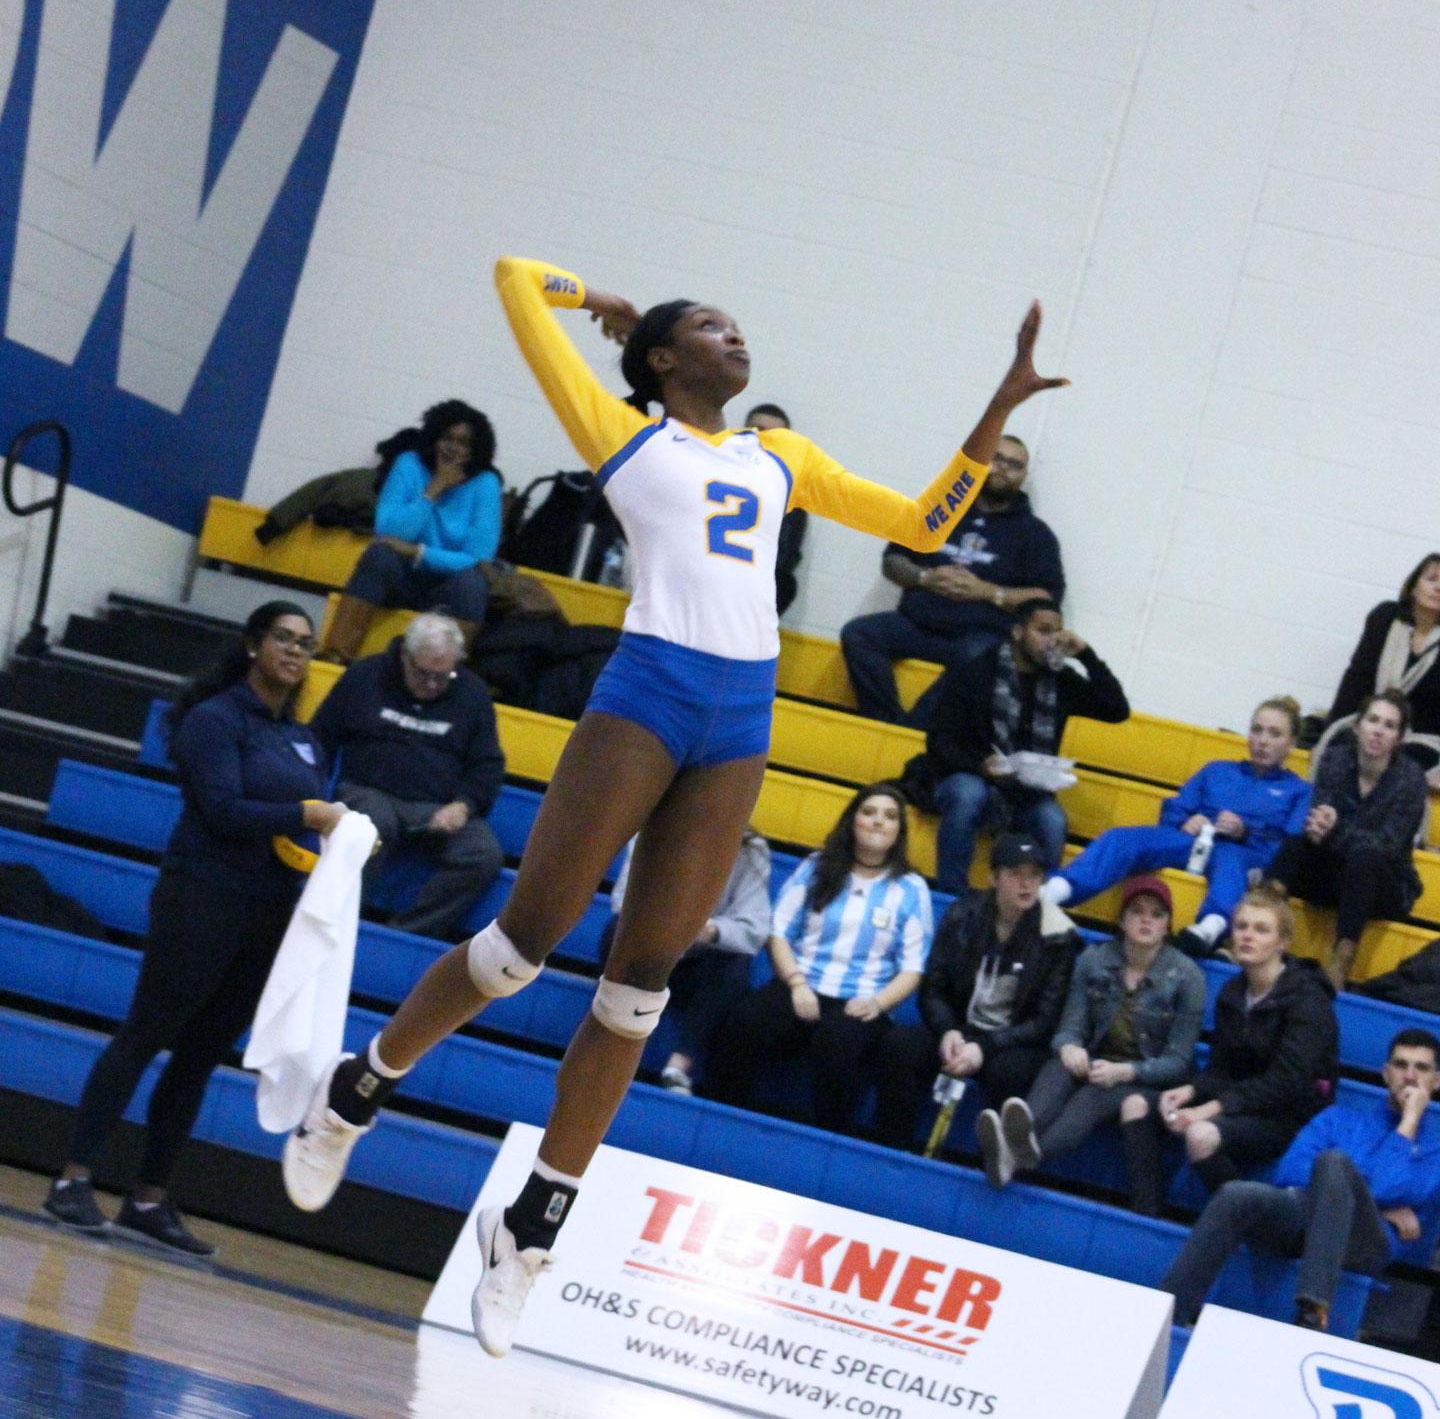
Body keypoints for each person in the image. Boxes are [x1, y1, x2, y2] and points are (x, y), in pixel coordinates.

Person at [281, 254, 1066, 1359]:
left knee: (637, 995)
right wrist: (594, 299)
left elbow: (925, 523)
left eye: (738, 323)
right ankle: (358, 1092)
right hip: (647, 695)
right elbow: (513, 280)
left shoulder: (777, 453)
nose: (737, 337)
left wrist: (996, 408)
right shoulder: (624, 432)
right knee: (520, 950)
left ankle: (531, 1230)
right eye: (711, 325)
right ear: (662, 360)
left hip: (741, 718)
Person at [44, 603, 346, 1254]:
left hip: (268, 911)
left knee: (204, 1052)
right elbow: (224, 808)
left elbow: (301, 827)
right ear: (252, 645)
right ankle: (72, 1179)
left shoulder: (301, 736)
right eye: (284, 639)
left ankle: (148, 1199)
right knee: (145, 1034)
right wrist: (307, 811)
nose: (296, 652)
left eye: (306, 644)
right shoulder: (214, 721)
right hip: (201, 896)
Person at [1161, 1028, 1440, 1332]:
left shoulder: (1436, 1147)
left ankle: (1312, 1313)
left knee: (1335, 1162)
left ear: (1436, 1081)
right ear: (1386, 1074)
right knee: (1237, 1194)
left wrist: (1410, 1122)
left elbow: (1387, 1185)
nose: (1410, 1077)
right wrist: (1368, 1203)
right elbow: (1290, 1173)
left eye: (1421, 1068)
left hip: (1366, 1244)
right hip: (1306, 1218)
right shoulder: (1338, 1119)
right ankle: (1170, 1314)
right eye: (1401, 1065)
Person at [706, 785, 932, 1131]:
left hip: (861, 1002)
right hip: (801, 985)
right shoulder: (817, 866)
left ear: (899, 831)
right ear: (852, 820)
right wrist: (796, 984)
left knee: (838, 1044)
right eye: (869, 812)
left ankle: (830, 1139)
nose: (877, 822)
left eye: (889, 817)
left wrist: (878, 1002)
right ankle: (718, 1120)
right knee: (745, 1021)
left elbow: (913, 967)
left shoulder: (911, 887)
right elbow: (778, 930)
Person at [980, 876, 1205, 1198]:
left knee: (1090, 1098)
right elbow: (1070, 1026)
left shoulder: (1187, 978)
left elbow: (1179, 1063)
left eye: (1156, 914)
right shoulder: (1094, 960)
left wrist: (1127, 1072)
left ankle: (1008, 1158)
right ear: (1122, 919)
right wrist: (1069, 1047)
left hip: (1142, 1078)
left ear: (1168, 925)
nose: (1146, 919)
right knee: (1058, 1068)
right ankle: (1018, 1135)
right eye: (1137, 911)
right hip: (1095, 1060)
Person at [1120, 882, 1338, 1216]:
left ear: (1283, 942)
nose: (1247, 936)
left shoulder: (1308, 1000)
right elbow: (1222, 1067)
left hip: (1288, 1115)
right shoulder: (1233, 991)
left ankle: (1249, 1226)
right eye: (1241, 927)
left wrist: (1209, 1108)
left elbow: (1287, 1082)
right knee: (1136, 1104)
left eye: (1261, 929)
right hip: (1239, 1101)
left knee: (1200, 1134)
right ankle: (1146, 1212)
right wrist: (1190, 1090)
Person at [1042, 695, 1309, 956]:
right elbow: (1176, 808)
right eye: (1257, 730)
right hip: (1194, 840)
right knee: (1124, 838)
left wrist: (1245, 833)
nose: (1262, 741)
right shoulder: (1217, 770)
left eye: (1275, 734)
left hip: (1243, 854)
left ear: (1291, 744)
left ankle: (1210, 927)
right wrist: (1186, 821)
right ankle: (1056, 891)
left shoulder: (1298, 790)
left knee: (1231, 864)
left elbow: (1286, 848)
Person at [902, 597, 1129, 896]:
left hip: (1024, 792)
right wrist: (980, 766)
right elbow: (939, 742)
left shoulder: (1060, 680)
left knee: (1052, 819)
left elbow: (1116, 709)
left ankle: (1036, 908)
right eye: (1044, 630)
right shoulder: (975, 671)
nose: (1052, 641)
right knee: (969, 792)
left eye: (1058, 633)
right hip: (967, 777)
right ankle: (951, 895)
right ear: (1018, 632)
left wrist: (1086, 655)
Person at [874, 833, 1079, 1152]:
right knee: (901, 1046)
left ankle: (992, 1164)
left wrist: (986, 1046)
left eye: (1034, 876)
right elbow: (933, 988)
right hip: (960, 1030)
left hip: (1013, 1042)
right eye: (1015, 874)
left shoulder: (1059, 936)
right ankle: (890, 1150)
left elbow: (1045, 1020)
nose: (1026, 885)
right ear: (993, 878)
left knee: (1009, 1073)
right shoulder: (962, 915)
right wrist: (947, 1031)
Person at [840, 434, 1065, 722]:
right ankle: (886, 724)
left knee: (988, 656)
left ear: (1023, 476)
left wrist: (986, 591)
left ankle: (912, 732)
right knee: (859, 633)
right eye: (996, 458)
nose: (1003, 468)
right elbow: (892, 561)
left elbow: (1047, 600)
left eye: (1014, 464)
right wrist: (924, 577)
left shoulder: (1036, 534)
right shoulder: (940, 509)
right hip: (916, 624)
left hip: (980, 637)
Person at [309, 613, 505, 939]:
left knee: (483, 854)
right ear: (405, 656)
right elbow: (320, 738)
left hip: (435, 806)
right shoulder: (365, 676)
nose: (432, 685)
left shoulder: (472, 694)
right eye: (424, 674)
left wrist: (464, 805)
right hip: (367, 791)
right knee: (369, 825)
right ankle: (334, 924)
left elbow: (488, 764)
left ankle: (408, 932)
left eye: (443, 676)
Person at [1267, 691, 1426, 989]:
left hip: (1384, 885)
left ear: (1399, 739)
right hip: (1335, 873)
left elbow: (1385, 847)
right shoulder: (1335, 759)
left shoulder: (1411, 780)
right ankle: (1262, 919)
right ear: (1357, 726)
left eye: (1390, 726)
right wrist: (1317, 829)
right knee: (1297, 843)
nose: (1379, 730)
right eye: (1373, 720)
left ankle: (1340, 965)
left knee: (1364, 860)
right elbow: (1319, 822)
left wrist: (1332, 830)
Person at [321, 400, 501, 663]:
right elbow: (388, 531)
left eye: (463, 442)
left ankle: (447, 672)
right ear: (432, 437)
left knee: (472, 583)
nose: (452, 448)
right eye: (446, 438)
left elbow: (478, 558)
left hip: (448, 586)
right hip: (401, 576)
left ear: (476, 450)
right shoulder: (409, 464)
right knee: (379, 555)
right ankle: (335, 656)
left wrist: (419, 552)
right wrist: (434, 488)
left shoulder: (486, 483)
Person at [599, 827, 772, 1094]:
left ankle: (678, 1067)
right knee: (617, 931)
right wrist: (671, 926)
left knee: (737, 964)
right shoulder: (652, 825)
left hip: (700, 959)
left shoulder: (751, 848)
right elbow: (623, 900)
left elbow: (754, 929)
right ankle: (611, 1041)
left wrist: (710, 930)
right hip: (649, 942)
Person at [1327, 553, 1440, 765]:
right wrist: (1334, 726)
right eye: (1432, 579)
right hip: (1369, 723)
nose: (1438, 587)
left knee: (1401, 761)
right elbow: (1356, 678)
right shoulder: (1385, 617)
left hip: (1420, 739)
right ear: (1414, 586)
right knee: (1342, 746)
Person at [744, 403, 808, 615]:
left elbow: (784, 559)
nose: (764, 440)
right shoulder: (705, 472)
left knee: (784, 583)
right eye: (757, 431)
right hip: (701, 570)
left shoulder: (793, 500)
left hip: (751, 583)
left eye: (775, 436)